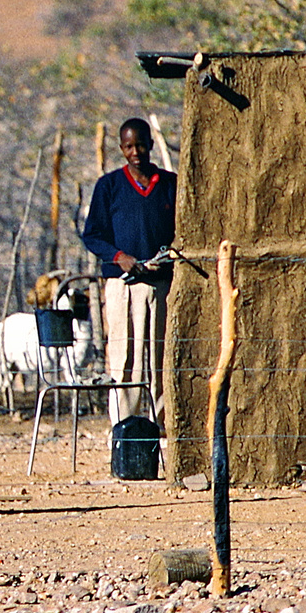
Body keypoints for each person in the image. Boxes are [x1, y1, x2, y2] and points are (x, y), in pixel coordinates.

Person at [81, 118, 177, 426]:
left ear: (150, 144)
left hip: (161, 284)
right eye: (128, 146)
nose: (135, 151)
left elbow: (182, 231)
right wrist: (118, 256)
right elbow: (92, 234)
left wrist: (167, 256)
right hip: (123, 285)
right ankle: (125, 427)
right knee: (126, 358)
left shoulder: (170, 184)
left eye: (140, 144)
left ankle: (158, 427)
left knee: (160, 358)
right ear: (121, 149)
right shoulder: (109, 186)